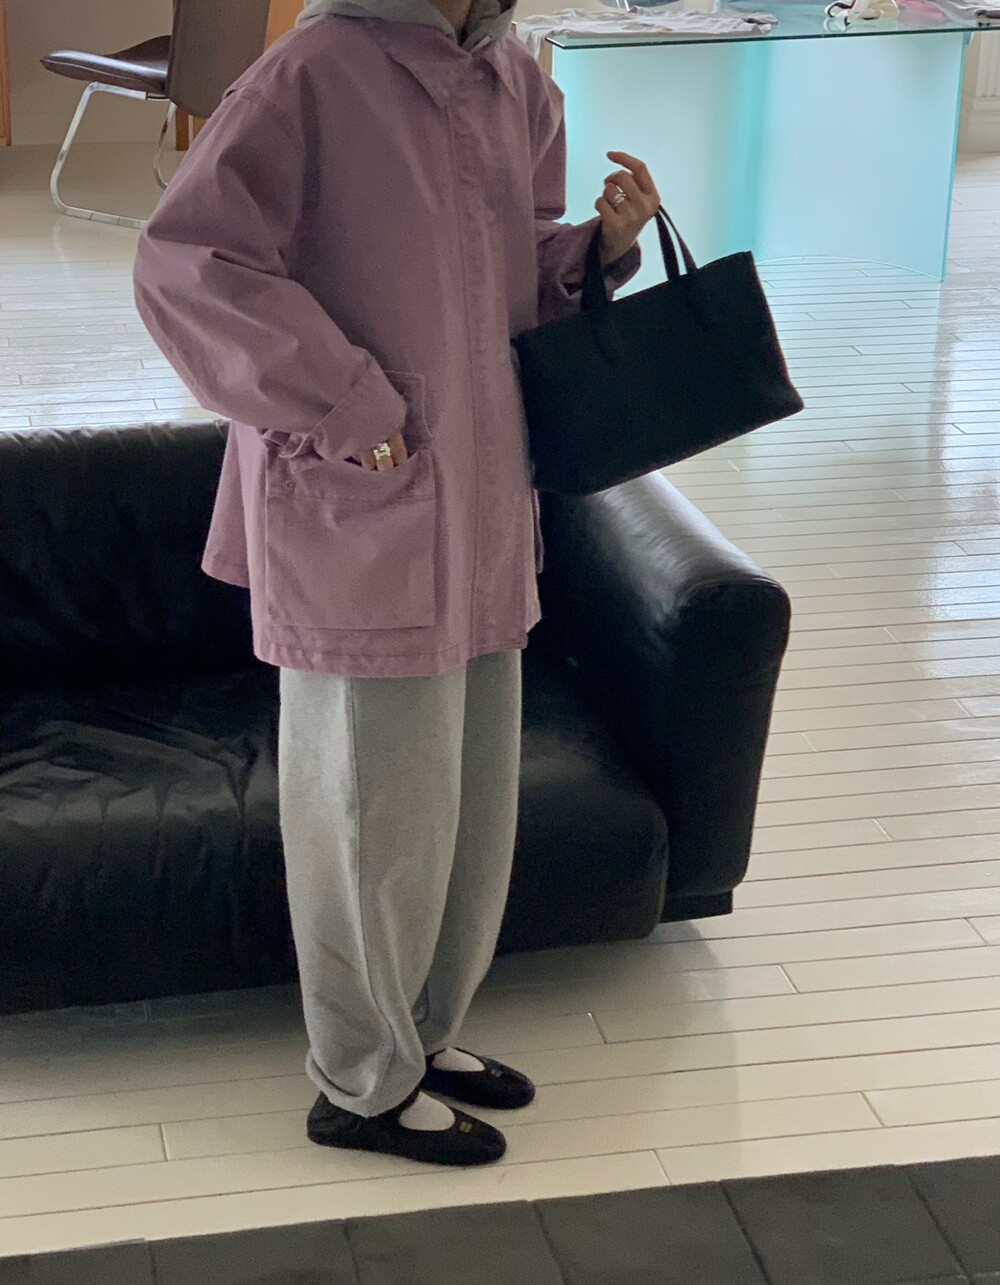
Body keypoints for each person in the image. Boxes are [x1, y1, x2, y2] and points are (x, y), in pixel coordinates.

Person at [132, 0, 660, 1168]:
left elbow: (513, 280)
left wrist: (597, 251)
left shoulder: (514, 80)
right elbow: (186, 263)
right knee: (369, 815)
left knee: (463, 805)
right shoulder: (314, 71)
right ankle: (358, 1082)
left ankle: (418, 1033)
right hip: (360, 496)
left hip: (483, 499)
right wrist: (343, 404)